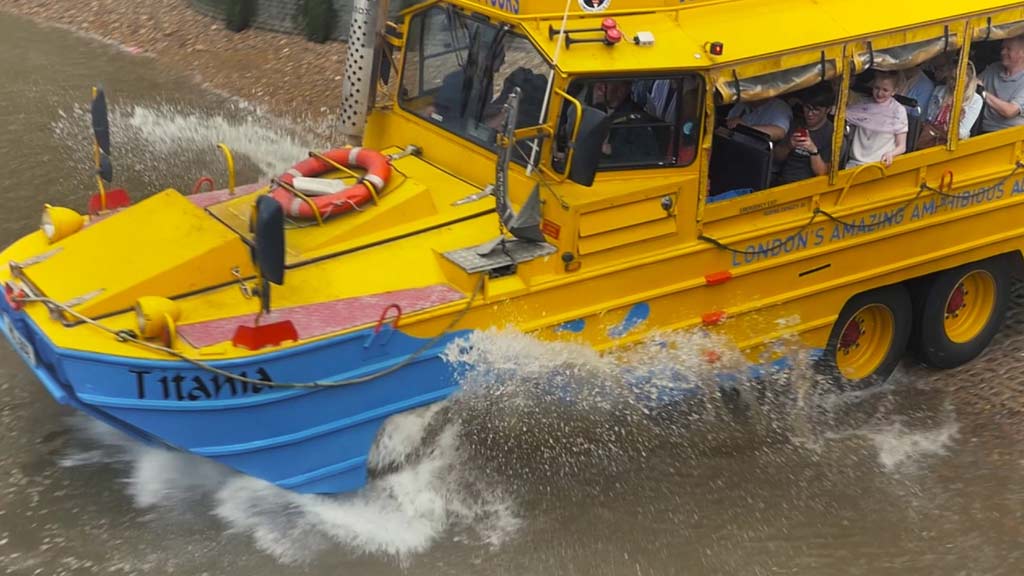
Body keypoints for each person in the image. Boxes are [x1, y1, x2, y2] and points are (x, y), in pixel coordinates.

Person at [773, 84, 839, 185]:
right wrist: (788, 145)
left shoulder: (833, 134)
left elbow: (823, 172)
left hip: (809, 187)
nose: (810, 113)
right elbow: (775, 158)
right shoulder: (796, 124)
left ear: (828, 109)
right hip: (782, 181)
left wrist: (813, 150)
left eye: (816, 109)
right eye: (807, 107)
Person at [846, 71, 908, 167]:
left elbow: (902, 146)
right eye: (876, 88)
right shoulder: (862, 104)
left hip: (880, 163)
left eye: (885, 90)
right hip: (855, 162)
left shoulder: (898, 111)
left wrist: (891, 154)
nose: (879, 93)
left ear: (894, 91)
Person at [919, 60, 983, 147]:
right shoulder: (939, 91)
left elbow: (962, 132)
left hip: (955, 142)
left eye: (959, 80)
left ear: (969, 80)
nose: (955, 83)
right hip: (931, 136)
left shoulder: (976, 100)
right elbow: (928, 117)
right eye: (952, 79)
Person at [593, 80, 658, 164]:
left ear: (621, 91)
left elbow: (649, 157)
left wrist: (611, 149)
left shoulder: (636, 121)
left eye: (606, 83)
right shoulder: (597, 112)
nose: (599, 87)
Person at [979, 35, 1024, 133]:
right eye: (1002, 48)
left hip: (1010, 136)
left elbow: (1010, 111)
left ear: (1022, 53)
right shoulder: (993, 68)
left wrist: (982, 93)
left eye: (1009, 49)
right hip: (982, 131)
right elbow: (973, 84)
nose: (1003, 52)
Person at [725, 97, 792, 142]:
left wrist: (745, 128)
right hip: (732, 146)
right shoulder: (743, 103)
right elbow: (728, 125)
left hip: (755, 155)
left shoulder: (779, 106)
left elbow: (779, 132)